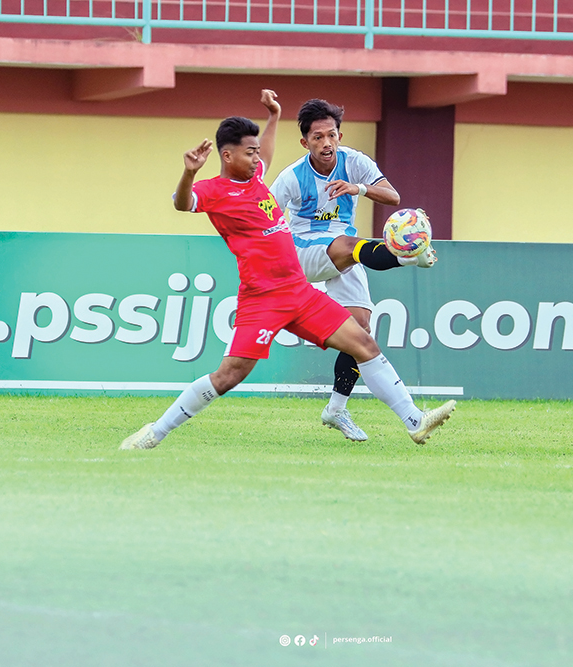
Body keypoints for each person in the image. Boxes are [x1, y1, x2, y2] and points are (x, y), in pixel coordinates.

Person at [120, 90, 456, 451]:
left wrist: (274, 115)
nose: (257, 159)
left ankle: (414, 421)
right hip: (263, 298)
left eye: (256, 153)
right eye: (248, 154)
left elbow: (266, 149)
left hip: (299, 290)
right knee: (229, 375)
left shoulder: (256, 177)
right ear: (227, 156)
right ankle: (156, 431)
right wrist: (189, 172)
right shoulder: (214, 191)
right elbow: (182, 203)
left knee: (363, 342)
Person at [270, 98, 436, 442]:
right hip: (304, 250)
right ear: (304, 142)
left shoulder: (355, 162)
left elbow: (392, 196)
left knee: (361, 330)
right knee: (350, 246)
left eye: (331, 135)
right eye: (317, 137)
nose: (326, 143)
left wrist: (357, 187)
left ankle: (340, 409)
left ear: (340, 136)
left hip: (344, 249)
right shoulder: (292, 177)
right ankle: (409, 257)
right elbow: (266, 218)